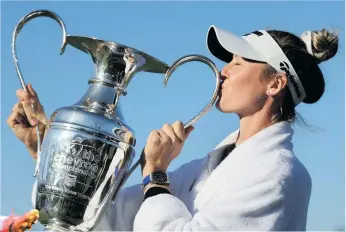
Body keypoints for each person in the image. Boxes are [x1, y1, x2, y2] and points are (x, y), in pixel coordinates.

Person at [7, 25, 338, 231]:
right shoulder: (208, 167)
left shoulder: (280, 174)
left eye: (238, 63)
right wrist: (55, 150)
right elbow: (108, 221)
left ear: (274, 84)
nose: (224, 72)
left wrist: (155, 174)